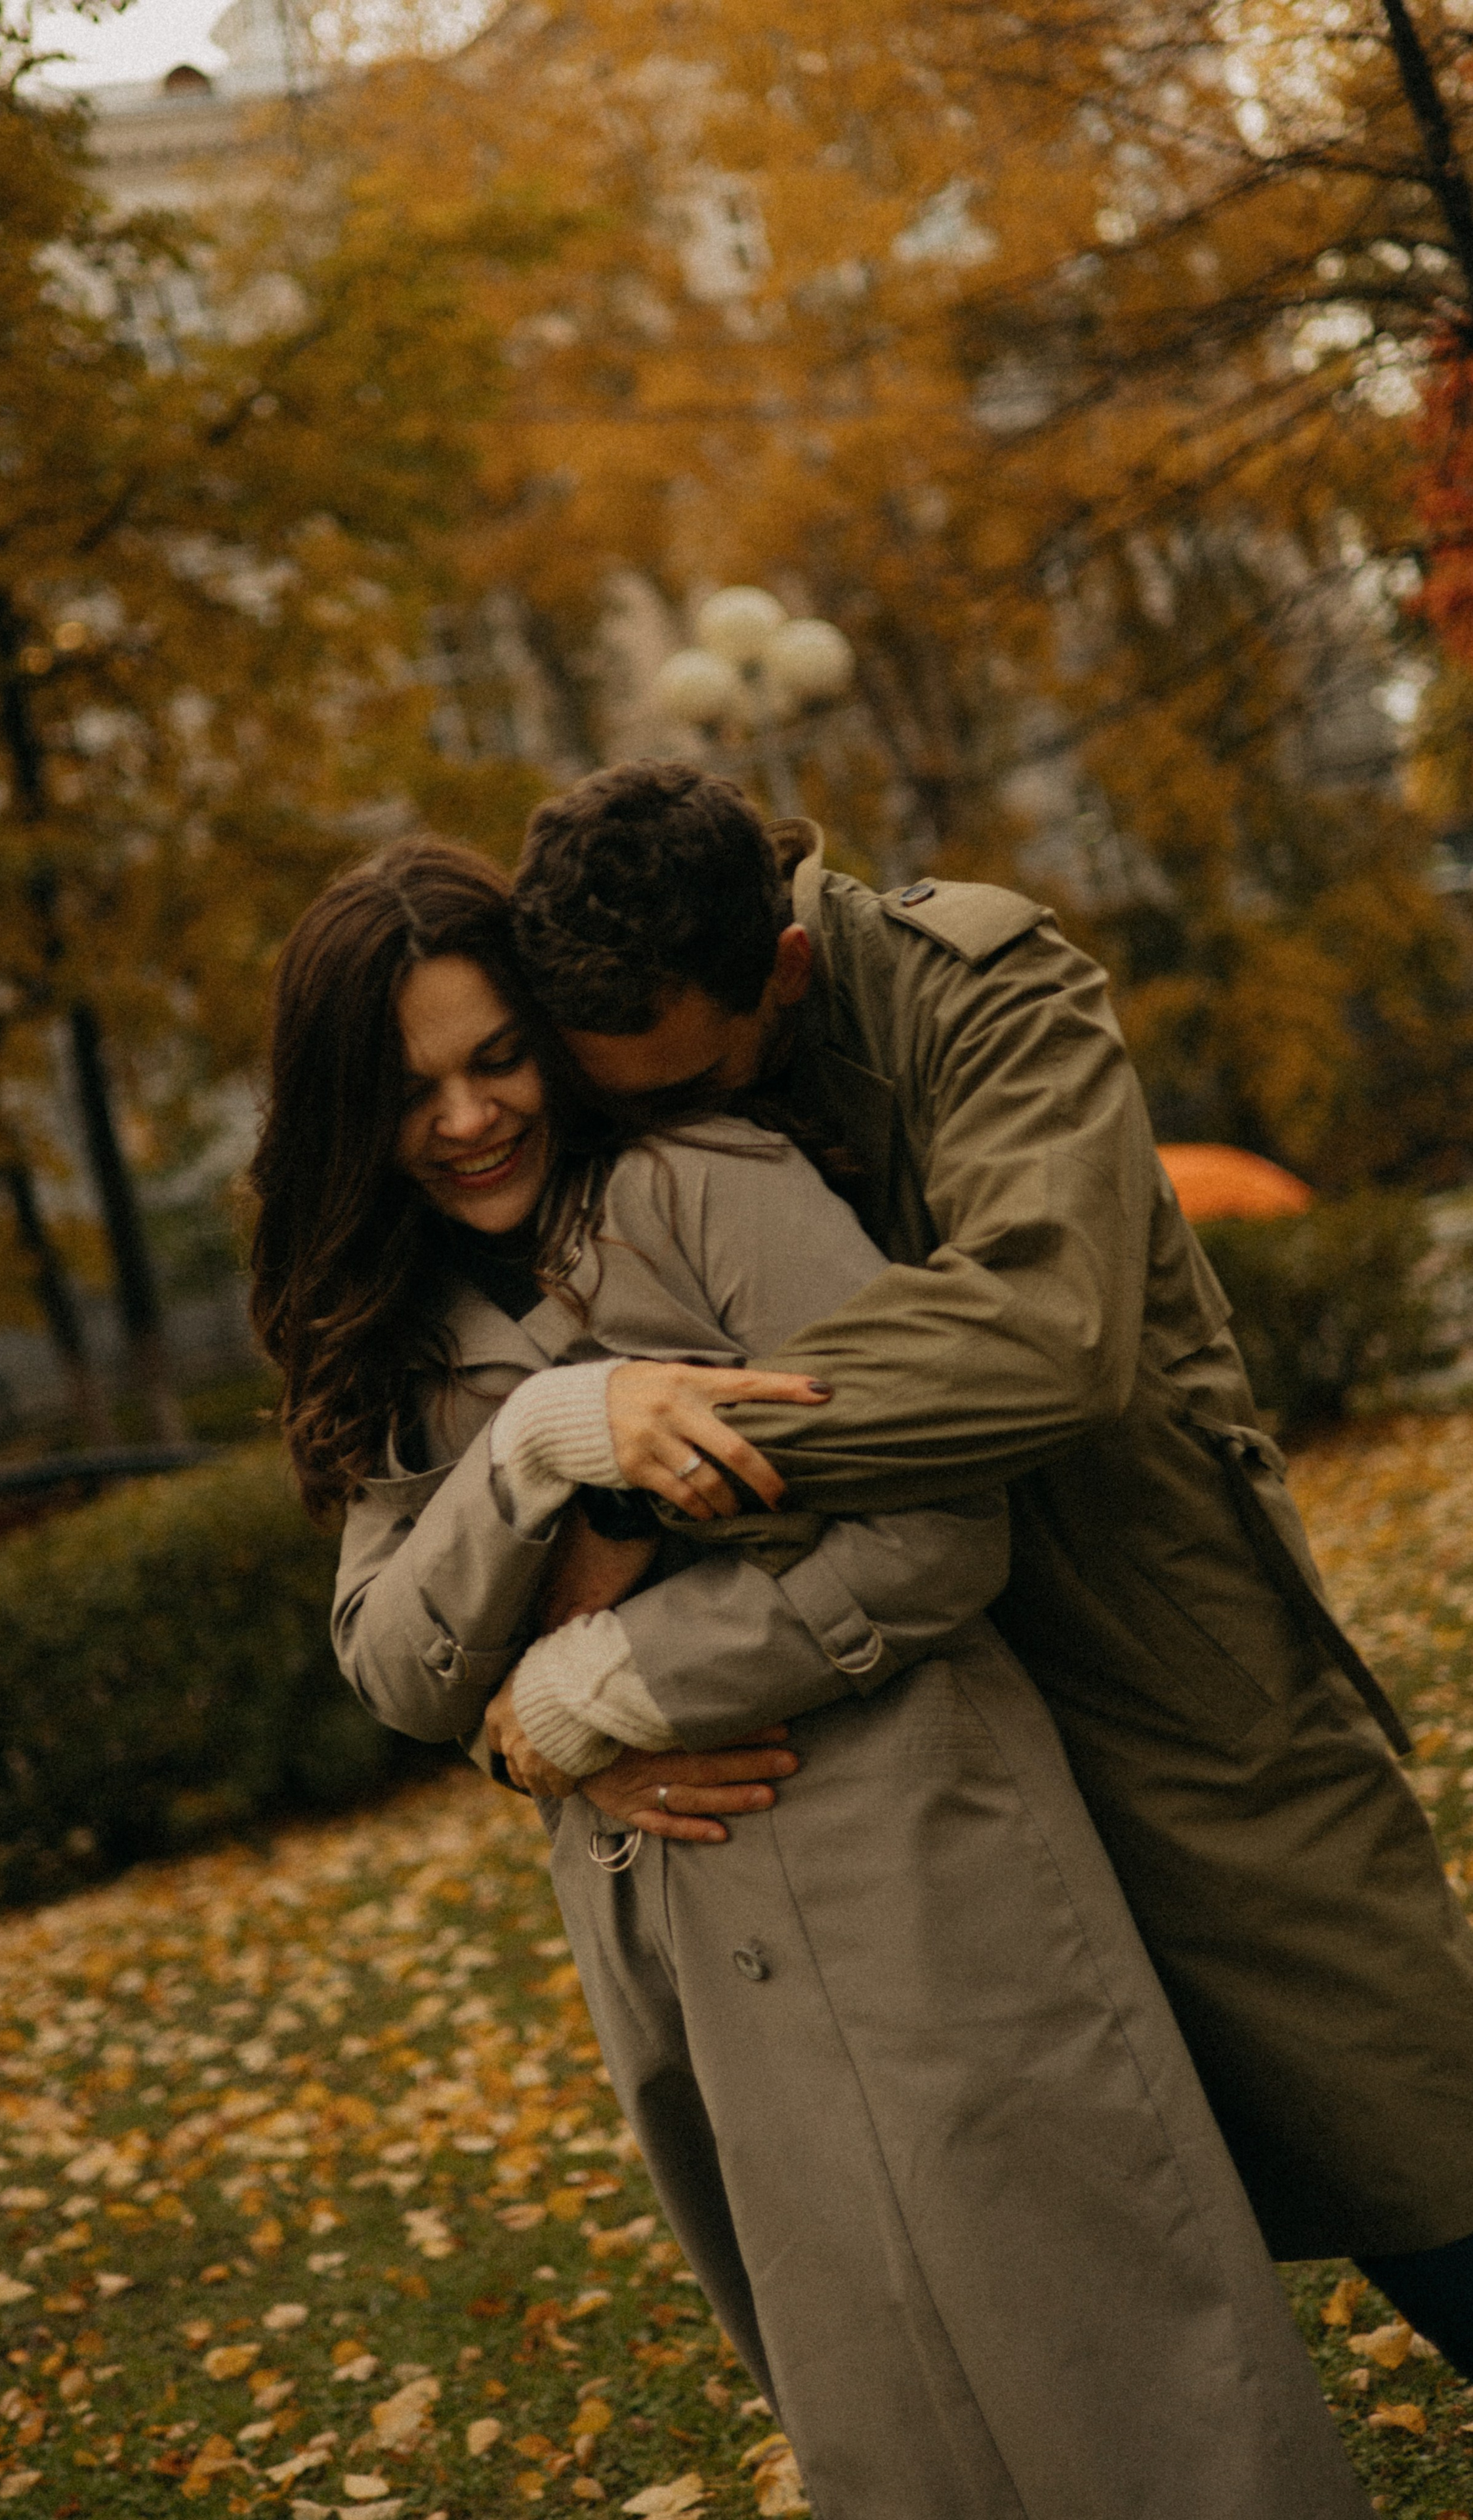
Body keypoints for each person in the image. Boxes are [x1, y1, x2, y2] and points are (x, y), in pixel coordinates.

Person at [249, 836, 1369, 2520]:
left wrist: (607, 1686)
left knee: (1123, 2384)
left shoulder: (706, 1187)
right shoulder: (385, 1334)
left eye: (497, 1060)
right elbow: (398, 1666)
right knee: (892, 2428)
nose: (469, 1117)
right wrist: (545, 1443)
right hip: (670, 1940)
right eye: (414, 1090)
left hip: (917, 1861)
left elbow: (937, 1535)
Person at [507, 754, 1473, 2368]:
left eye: (693, 1088)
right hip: (906, 1724)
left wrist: (652, 1473)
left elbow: (1044, 1339)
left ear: (786, 970)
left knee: (1395, 2109)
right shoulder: (601, 1068)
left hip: (1160, 1656)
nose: (671, 1137)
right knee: (1073, 2212)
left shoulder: (984, 986)